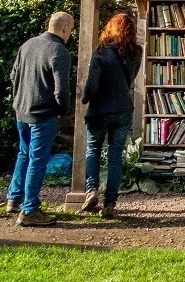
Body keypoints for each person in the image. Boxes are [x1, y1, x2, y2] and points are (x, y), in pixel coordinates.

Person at [7, 11, 74, 227]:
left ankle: (13, 198)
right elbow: (61, 89)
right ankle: (30, 210)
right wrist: (62, 110)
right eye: (71, 30)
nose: (70, 34)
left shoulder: (28, 45)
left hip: (21, 109)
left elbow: (13, 75)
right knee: (38, 159)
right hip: (42, 113)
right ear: (65, 29)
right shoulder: (59, 51)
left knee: (24, 154)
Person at [79, 11, 142, 218]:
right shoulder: (136, 53)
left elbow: (91, 86)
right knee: (116, 156)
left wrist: (85, 99)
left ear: (110, 29)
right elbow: (130, 79)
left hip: (99, 110)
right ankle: (110, 203)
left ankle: (91, 190)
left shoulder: (101, 53)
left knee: (93, 151)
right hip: (123, 109)